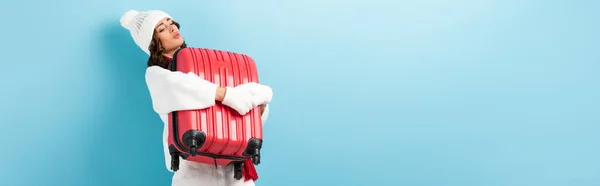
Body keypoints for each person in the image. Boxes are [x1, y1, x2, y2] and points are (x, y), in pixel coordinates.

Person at [119, 9, 273, 186]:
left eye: (171, 22)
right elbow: (184, 86)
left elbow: (248, 111)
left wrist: (257, 108)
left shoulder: (203, 63)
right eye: (161, 29)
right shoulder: (158, 75)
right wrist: (229, 95)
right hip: (195, 170)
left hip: (235, 169)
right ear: (154, 44)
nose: (171, 28)